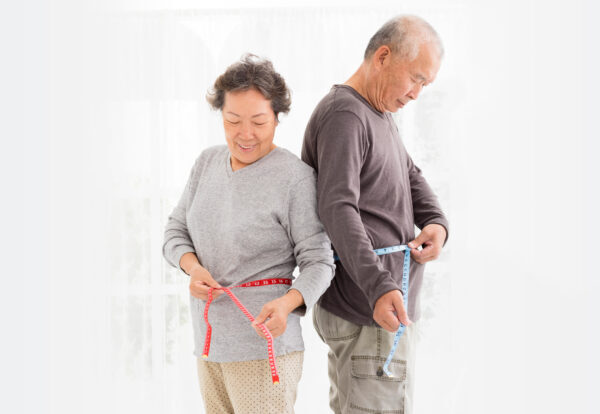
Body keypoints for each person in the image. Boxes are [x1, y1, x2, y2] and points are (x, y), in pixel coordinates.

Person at [162, 54, 335, 414]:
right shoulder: (206, 163)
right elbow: (175, 231)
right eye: (232, 120)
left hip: (263, 346)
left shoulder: (295, 179)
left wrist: (287, 304)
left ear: (276, 117)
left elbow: (320, 261)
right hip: (209, 342)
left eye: (258, 121)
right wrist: (192, 268)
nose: (245, 134)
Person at [301, 15, 449, 414]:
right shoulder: (345, 116)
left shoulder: (377, 113)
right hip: (370, 308)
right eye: (415, 78)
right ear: (383, 57)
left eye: (425, 85)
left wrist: (436, 222)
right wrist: (379, 286)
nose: (416, 93)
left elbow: (409, 174)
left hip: (380, 308)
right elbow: (337, 208)